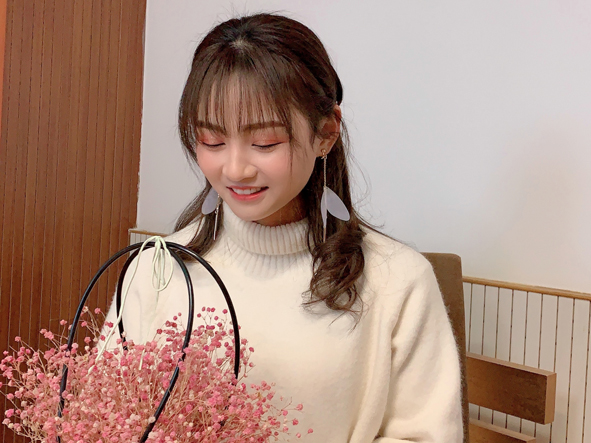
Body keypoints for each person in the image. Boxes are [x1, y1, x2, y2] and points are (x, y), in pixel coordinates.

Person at [107, 12, 463, 442]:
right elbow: (105, 416)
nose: (235, 169)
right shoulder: (155, 270)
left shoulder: (398, 281)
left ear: (325, 133)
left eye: (265, 143)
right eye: (213, 141)